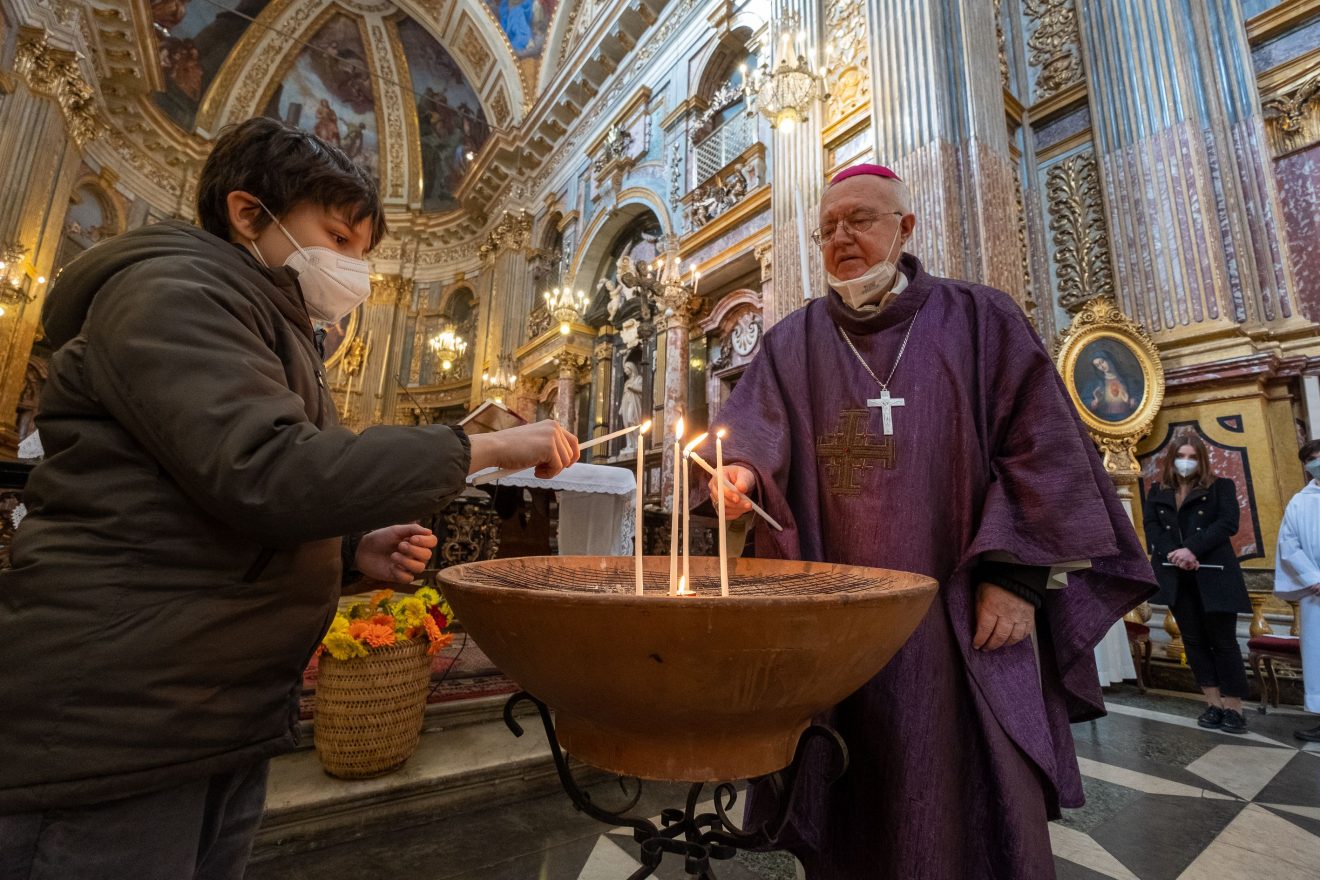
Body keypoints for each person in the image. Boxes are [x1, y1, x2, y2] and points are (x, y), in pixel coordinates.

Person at [0, 117, 578, 878]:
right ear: (249, 214)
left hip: (205, 705)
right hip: (115, 713)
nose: (352, 269)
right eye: (338, 239)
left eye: (362, 253)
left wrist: (346, 548)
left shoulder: (261, 319)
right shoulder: (173, 292)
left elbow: (211, 495)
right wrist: (486, 446)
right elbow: (267, 469)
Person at [702, 163, 1154, 879]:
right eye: (827, 229)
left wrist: (1014, 575)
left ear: (905, 227)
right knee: (853, 782)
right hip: (836, 618)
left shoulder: (981, 318)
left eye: (860, 220)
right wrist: (741, 473)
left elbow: (1042, 448)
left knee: (968, 789)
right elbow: (753, 426)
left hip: (961, 603)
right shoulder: (794, 341)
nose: (841, 237)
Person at [1143, 433, 1251, 733]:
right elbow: (1152, 528)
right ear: (1171, 460)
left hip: (1213, 573)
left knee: (1224, 642)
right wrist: (1176, 555)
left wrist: (1192, 549)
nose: (1186, 462)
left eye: (1192, 457)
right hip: (1176, 574)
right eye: (1181, 456)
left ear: (1201, 459)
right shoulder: (1157, 491)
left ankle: (1234, 708)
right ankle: (1213, 703)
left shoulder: (1221, 487)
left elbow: (1227, 523)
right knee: (1193, 641)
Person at [1274, 438, 1320, 741]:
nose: (1316, 461)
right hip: (1316, 592)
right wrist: (1312, 577)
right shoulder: (1300, 501)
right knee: (1318, 656)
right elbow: (1289, 544)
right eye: (1311, 458)